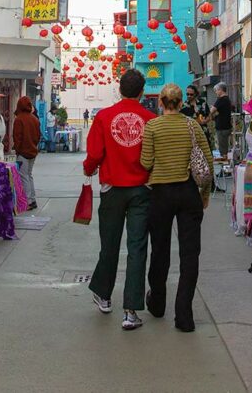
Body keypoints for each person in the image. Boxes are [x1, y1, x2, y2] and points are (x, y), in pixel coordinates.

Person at [84, 69, 156, 331]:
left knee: (110, 243)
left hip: (112, 188)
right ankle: (131, 310)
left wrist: (88, 167)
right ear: (142, 91)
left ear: (119, 89)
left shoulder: (103, 117)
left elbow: (94, 152)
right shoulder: (150, 119)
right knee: (137, 247)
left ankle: (104, 295)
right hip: (141, 189)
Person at [141, 83, 212, 333]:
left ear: (161, 102)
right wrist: (205, 194)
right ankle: (184, 315)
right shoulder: (192, 125)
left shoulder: (152, 126)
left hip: (160, 194)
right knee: (190, 254)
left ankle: (158, 302)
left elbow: (146, 161)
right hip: (188, 192)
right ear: (182, 103)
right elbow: (206, 162)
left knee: (159, 250)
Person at [12, 96, 41, 211]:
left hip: (23, 152)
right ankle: (32, 199)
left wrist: (17, 151)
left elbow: (17, 137)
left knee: (24, 176)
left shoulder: (19, 119)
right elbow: (38, 136)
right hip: (33, 151)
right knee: (29, 175)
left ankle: (28, 201)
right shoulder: (35, 119)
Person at [208, 82, 233, 159]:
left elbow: (211, 111)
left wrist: (213, 110)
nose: (215, 92)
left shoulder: (220, 100)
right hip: (226, 125)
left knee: (223, 149)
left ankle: (224, 164)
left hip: (222, 127)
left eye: (216, 90)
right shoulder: (227, 99)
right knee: (224, 146)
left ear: (221, 90)